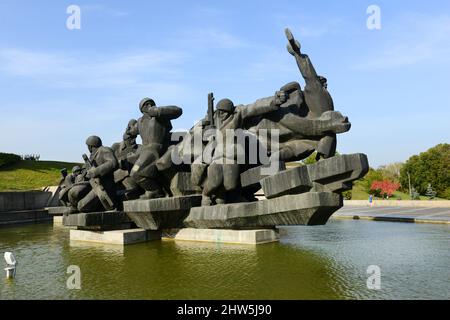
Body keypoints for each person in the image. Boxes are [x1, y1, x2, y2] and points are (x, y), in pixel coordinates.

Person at [130, 98, 182, 199]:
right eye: (145, 105)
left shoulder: (159, 115)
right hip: (146, 151)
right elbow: (131, 131)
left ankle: (155, 191)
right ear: (142, 109)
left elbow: (178, 110)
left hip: (156, 148)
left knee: (135, 172)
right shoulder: (140, 121)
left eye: (151, 103)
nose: (149, 105)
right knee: (135, 173)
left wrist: (159, 111)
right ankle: (154, 190)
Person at [75, 135, 119, 212]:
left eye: (88, 146)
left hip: (105, 186)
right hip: (95, 186)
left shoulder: (104, 150)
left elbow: (113, 163)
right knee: (78, 200)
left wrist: (95, 172)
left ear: (91, 146)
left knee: (81, 206)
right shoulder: (92, 156)